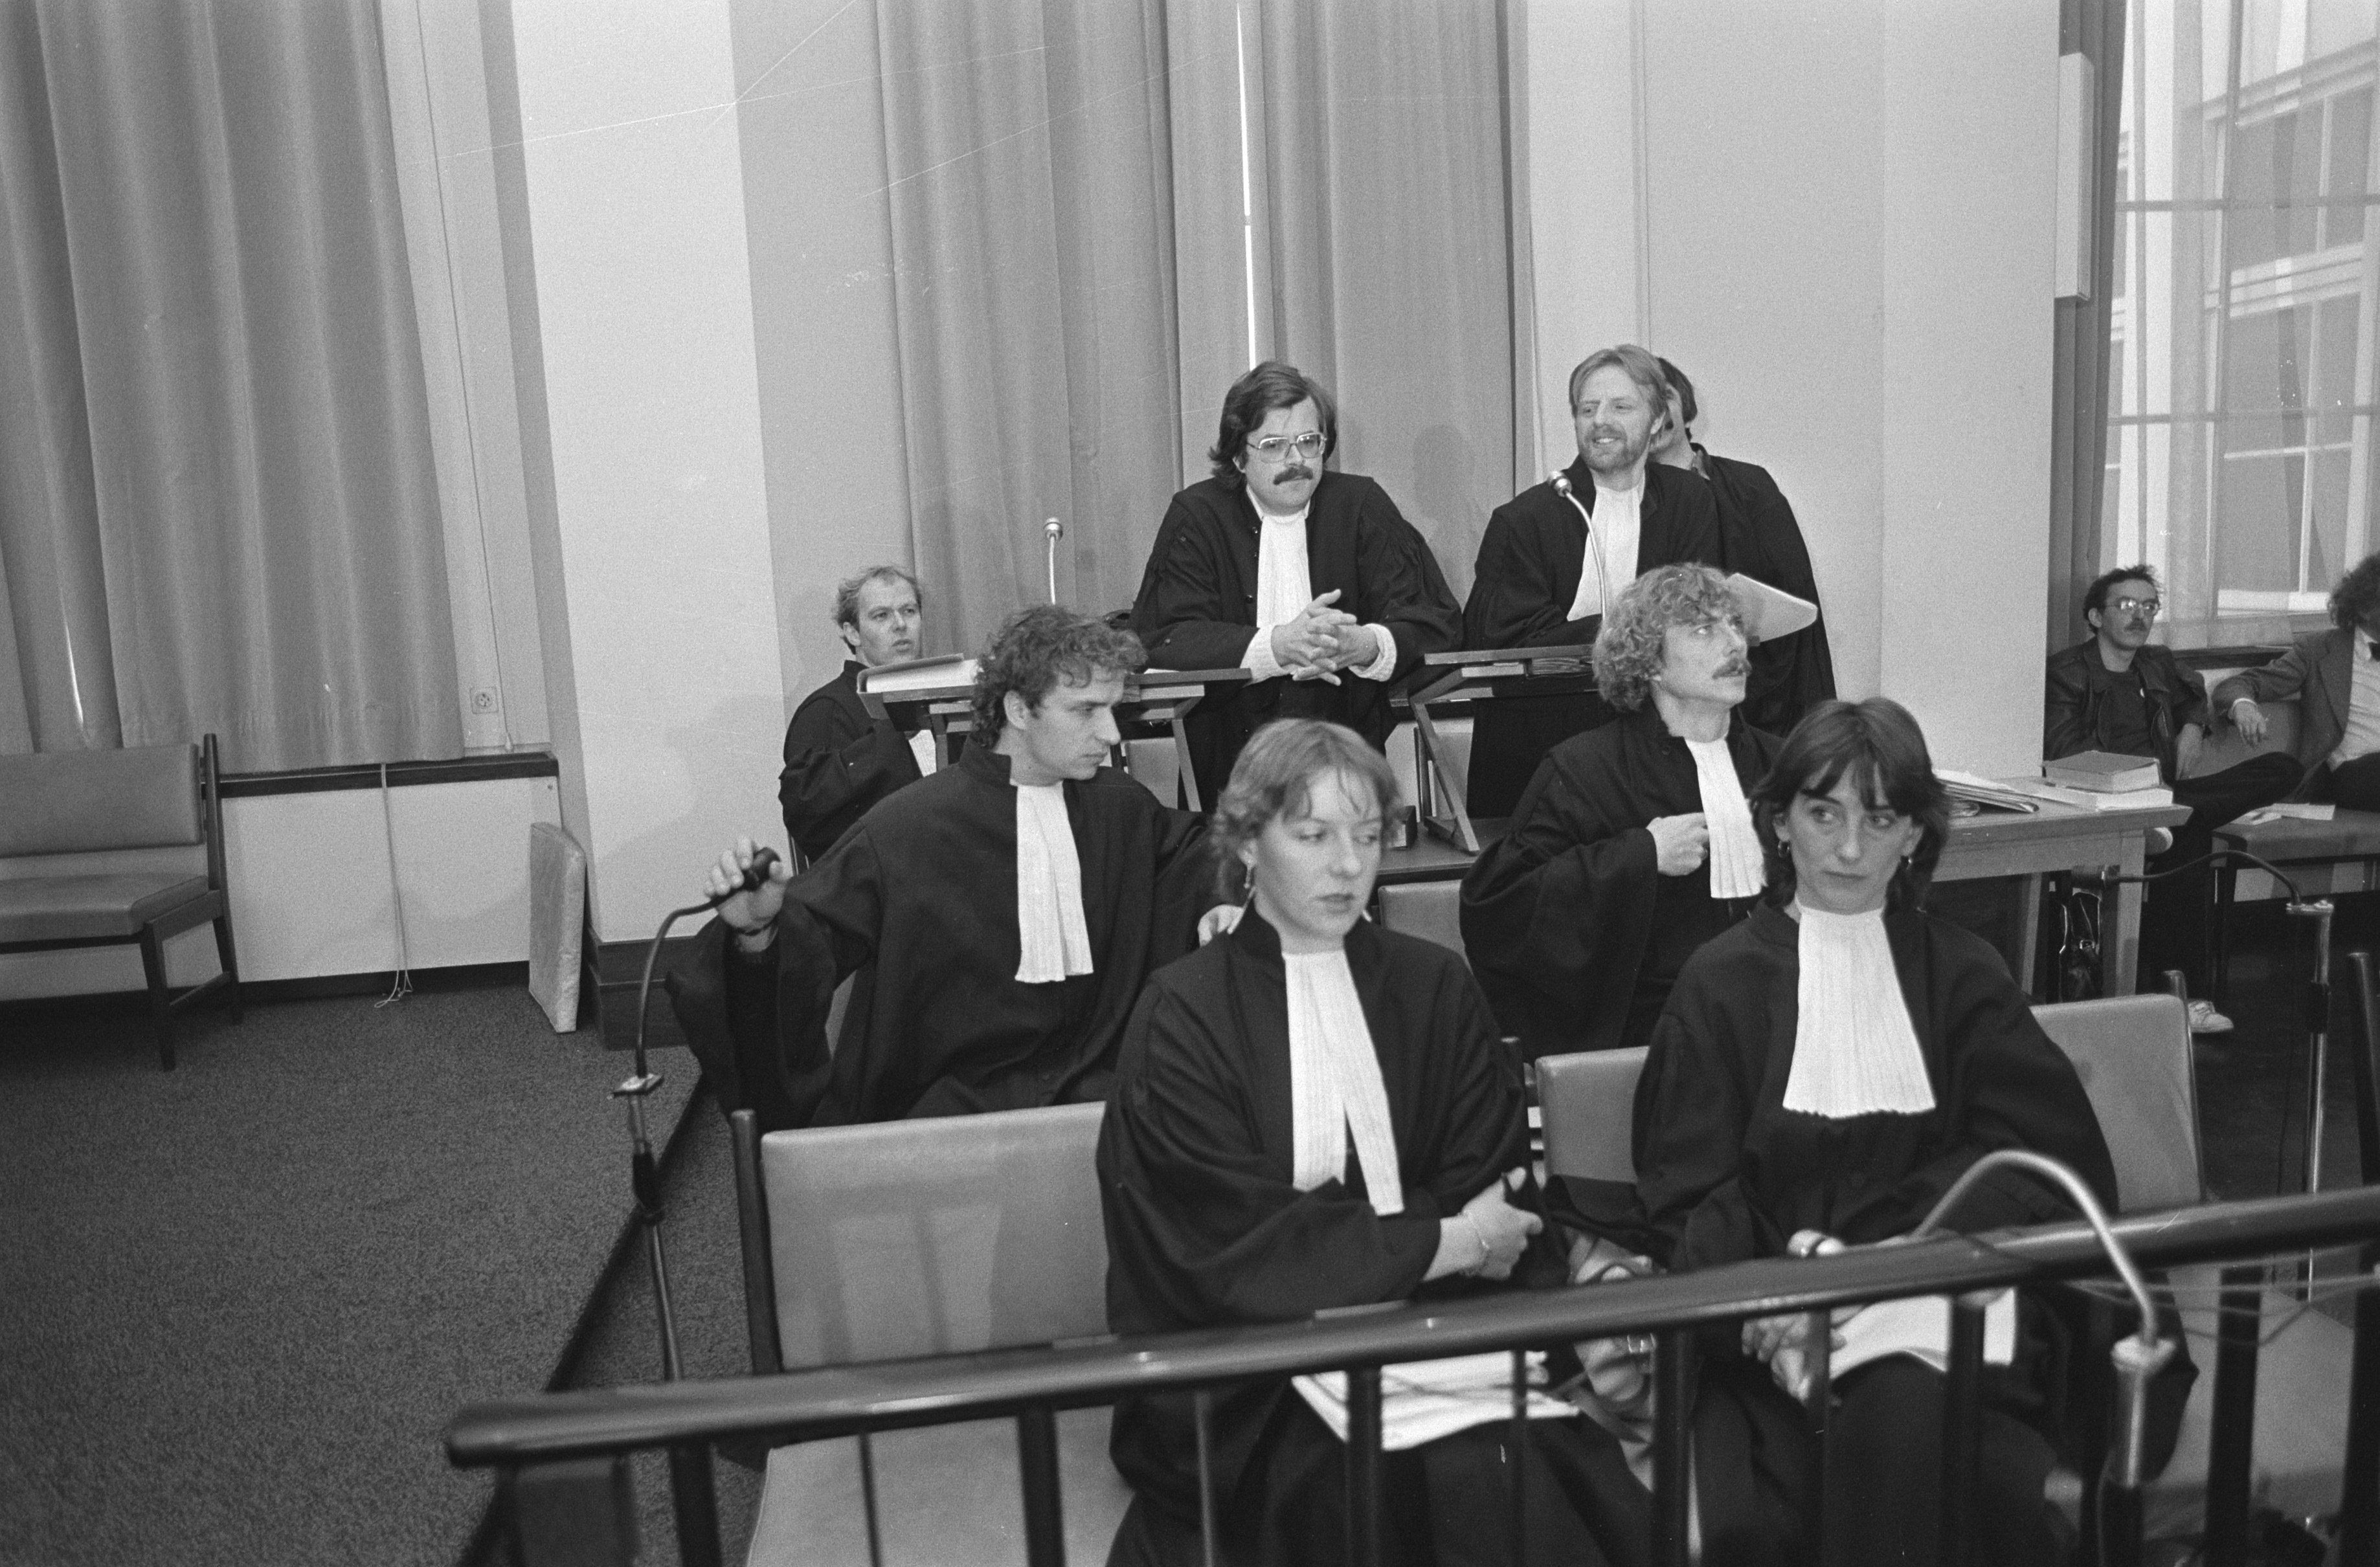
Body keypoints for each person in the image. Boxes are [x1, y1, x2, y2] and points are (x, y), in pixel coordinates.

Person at [1098, 719, 1649, 1567]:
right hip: (1253, 1368)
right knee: (1372, 1491)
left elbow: (1490, 1183)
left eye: (1367, 836)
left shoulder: (1434, 983)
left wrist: (1415, 1250)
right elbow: (1225, 1243)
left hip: (1435, 1329)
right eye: (1313, 835)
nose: (1349, 865)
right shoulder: (1181, 1012)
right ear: (1246, 841)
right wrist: (1443, 1240)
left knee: (1518, 1477)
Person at [1632, 698, 2127, 1567]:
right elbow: (1689, 1197)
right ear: (1779, 823)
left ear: (1915, 836)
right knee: (1957, 1462)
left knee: (1915, 1419)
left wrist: (1881, 1258)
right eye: (1824, 814)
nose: (1851, 848)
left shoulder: (1963, 970)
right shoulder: (1719, 984)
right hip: (1778, 1314)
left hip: (1959, 1290)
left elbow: (2041, 1162)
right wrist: (1770, 1307)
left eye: (1881, 818)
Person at [672, 606, 1213, 1131]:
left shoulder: (1123, 809)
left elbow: (1203, 860)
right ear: (1019, 710)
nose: (1113, 735)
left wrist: (1232, 889)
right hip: (947, 1109)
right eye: (1085, 710)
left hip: (1100, 1092)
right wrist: (756, 935)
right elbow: (806, 946)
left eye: (1114, 709)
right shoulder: (906, 828)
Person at [1461, 564, 1783, 1060]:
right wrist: (1638, 856)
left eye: (1735, 625)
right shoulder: (1584, 770)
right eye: (1703, 629)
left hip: (1779, 1016)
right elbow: (1499, 908)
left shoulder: (1783, 764)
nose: (1733, 644)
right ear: (1650, 661)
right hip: (1648, 1034)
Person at [1131, 360, 1463, 797]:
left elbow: (1436, 622)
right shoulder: (1198, 516)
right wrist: (1279, 645)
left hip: (1347, 767)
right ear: (1237, 454)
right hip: (1230, 774)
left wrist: (1364, 644)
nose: (1296, 461)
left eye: (1309, 442)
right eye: (1273, 445)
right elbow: (1166, 637)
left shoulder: (1360, 506)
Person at [1461, 344, 1723, 817]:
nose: (1600, 420)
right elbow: (1502, 640)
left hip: (1655, 746)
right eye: (1588, 409)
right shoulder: (1525, 520)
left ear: (1659, 421)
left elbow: (1693, 613)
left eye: (1621, 407)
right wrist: (1628, 626)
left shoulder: (1690, 502)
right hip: (1544, 750)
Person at [2046, 564, 2299, 1030]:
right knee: (2193, 833)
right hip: (2111, 798)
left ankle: (2173, 820)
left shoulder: (2156, 661)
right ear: (2097, 617)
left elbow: (2193, 692)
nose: (2139, 615)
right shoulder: (2068, 672)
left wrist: (2192, 726)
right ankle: (2184, 1000)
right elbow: (2064, 754)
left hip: (2166, 796)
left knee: (2284, 766)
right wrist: (2136, 785)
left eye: (2148, 606)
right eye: (2125, 605)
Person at [1651, 357, 1836, 737]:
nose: (1654, 413)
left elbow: (1795, 588)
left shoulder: (1751, 486)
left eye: (1663, 396)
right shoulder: (1622, 506)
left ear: (1685, 404)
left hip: (1763, 680)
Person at [778, 565, 937, 865]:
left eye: (909, 611)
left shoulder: (943, 697)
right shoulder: (826, 710)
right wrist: (894, 735)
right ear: (852, 632)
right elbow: (809, 815)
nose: (900, 624)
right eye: (882, 616)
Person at [2211, 550, 2380, 810]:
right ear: (2366, 608)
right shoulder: (2319, 650)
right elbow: (2240, 684)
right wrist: (2243, 706)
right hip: (2351, 772)